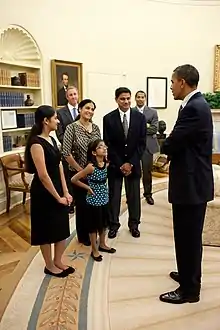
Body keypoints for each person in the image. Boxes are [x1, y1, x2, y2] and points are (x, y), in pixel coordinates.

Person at [159, 64, 214, 304]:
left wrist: (166, 147)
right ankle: (187, 275)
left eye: (172, 82)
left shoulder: (195, 107)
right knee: (185, 236)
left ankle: (190, 291)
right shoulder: (193, 105)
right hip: (190, 183)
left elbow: (173, 141)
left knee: (188, 238)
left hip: (192, 186)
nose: (171, 86)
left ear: (182, 82)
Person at [24, 105, 74, 278]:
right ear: (46, 121)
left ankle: (58, 260)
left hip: (58, 189)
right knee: (45, 231)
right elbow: (43, 175)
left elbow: (59, 165)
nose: (58, 121)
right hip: (44, 193)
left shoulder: (52, 140)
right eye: (55, 118)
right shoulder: (36, 144)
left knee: (61, 227)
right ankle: (49, 265)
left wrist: (65, 192)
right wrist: (57, 197)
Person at [103, 87, 146, 239]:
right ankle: (113, 225)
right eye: (122, 99)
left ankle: (134, 225)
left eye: (128, 98)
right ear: (116, 100)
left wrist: (131, 163)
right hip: (116, 165)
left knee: (134, 197)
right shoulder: (108, 118)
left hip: (133, 164)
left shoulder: (140, 118)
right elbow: (108, 143)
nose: (126, 101)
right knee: (114, 196)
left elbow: (142, 144)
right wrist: (121, 163)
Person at [63, 99, 101, 246]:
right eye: (87, 108)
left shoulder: (96, 128)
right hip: (79, 175)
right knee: (83, 207)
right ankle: (83, 236)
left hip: (95, 172)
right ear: (79, 109)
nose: (90, 111)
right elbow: (66, 153)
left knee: (94, 205)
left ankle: (94, 232)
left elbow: (100, 148)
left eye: (92, 109)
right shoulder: (71, 128)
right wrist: (81, 170)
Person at [71, 139, 116, 261]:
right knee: (93, 226)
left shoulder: (106, 164)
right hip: (93, 201)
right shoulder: (90, 167)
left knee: (104, 224)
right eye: (100, 147)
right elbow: (74, 179)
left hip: (104, 199)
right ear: (94, 153)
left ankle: (102, 244)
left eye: (104, 146)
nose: (105, 148)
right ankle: (94, 250)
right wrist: (87, 188)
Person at [133, 90, 159, 205]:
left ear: (145, 98)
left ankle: (148, 194)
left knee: (147, 172)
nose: (140, 99)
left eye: (142, 97)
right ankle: (132, 196)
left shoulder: (153, 112)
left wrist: (139, 129)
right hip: (134, 147)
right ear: (135, 98)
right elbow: (129, 129)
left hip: (148, 147)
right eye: (138, 97)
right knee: (134, 172)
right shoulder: (131, 111)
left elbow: (154, 129)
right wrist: (145, 127)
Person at [56, 86, 79, 213]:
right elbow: (60, 135)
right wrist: (73, 144)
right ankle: (70, 203)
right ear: (67, 97)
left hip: (81, 153)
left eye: (75, 94)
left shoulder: (82, 110)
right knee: (68, 178)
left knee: (80, 177)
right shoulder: (60, 113)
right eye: (71, 95)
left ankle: (79, 201)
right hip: (68, 152)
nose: (73, 97)